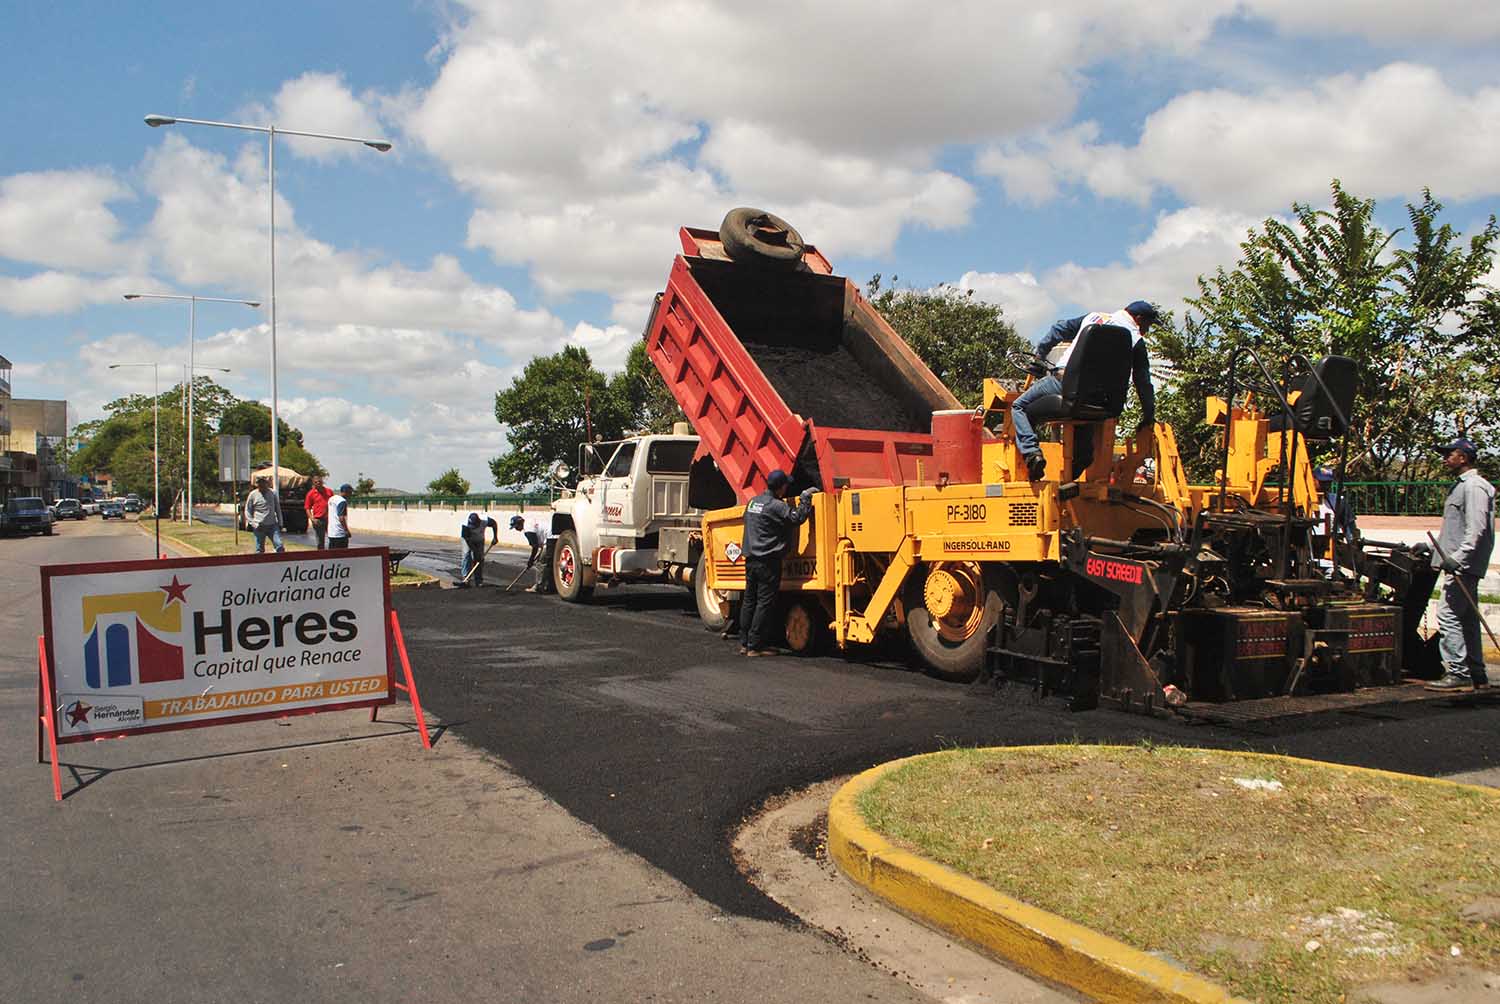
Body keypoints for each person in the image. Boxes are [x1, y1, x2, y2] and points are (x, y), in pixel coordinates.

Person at [1012, 299, 1159, 481]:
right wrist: (1148, 416)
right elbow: (1143, 382)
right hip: (1097, 400)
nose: (1147, 329)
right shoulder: (1136, 340)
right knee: (1083, 448)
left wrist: (1040, 355)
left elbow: (1058, 329)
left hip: (1063, 384)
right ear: (1138, 318)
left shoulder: (1094, 317)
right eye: (1148, 324)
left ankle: (1032, 454)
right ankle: (1067, 479)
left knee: (1019, 407)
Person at [1425, 438, 1495, 692]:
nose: (1445, 458)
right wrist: (1433, 549)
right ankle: (1477, 673)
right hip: (1459, 562)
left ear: (1463, 457)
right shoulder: (1462, 486)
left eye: (1449, 454)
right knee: (1466, 618)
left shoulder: (1474, 487)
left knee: (1448, 614)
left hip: (1462, 566)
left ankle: (1457, 671)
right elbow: (1456, 530)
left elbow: (1476, 529)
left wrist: (1458, 558)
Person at [739, 470, 817, 656]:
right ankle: (755, 646)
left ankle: (744, 643)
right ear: (781, 488)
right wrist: (805, 498)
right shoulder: (776, 506)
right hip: (768, 562)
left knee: (749, 601)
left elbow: (747, 519)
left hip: (751, 560)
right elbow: (797, 518)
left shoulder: (753, 502)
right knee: (764, 603)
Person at [1314, 466, 1358, 541]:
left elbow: (1349, 526)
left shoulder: (1338, 500)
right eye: (1322, 482)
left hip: (1333, 542)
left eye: (1328, 482)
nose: (1326, 485)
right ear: (1313, 480)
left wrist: (1352, 542)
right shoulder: (1302, 500)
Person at [510, 513, 551, 591]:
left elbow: (535, 546)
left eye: (516, 527)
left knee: (540, 563)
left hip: (549, 540)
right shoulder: (530, 521)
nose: (516, 529)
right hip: (552, 537)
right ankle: (548, 585)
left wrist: (531, 560)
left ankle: (539, 586)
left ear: (520, 523)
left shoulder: (528, 530)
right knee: (548, 562)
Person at [245, 475, 285, 554]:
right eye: (259, 483)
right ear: (257, 484)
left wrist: (280, 523)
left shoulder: (273, 493)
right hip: (259, 526)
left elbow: (278, 509)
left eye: (263, 483)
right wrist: (253, 523)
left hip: (272, 525)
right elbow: (248, 511)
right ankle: (260, 565)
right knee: (259, 550)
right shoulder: (253, 495)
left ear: (267, 483)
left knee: (279, 546)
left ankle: (279, 564)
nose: (262, 485)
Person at [458, 512, 498, 587]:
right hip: (468, 539)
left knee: (479, 559)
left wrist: (495, 537)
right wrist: (475, 550)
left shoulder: (485, 520)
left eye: (474, 526)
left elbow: (494, 524)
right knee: (466, 555)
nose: (472, 527)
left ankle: (479, 580)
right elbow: (468, 540)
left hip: (480, 539)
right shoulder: (465, 525)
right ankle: (466, 578)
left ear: (479, 522)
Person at [304, 475, 333, 549]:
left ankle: (332, 555)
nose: (318, 483)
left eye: (319, 481)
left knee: (332, 538)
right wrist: (312, 519)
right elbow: (307, 508)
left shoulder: (329, 492)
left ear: (322, 482)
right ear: (313, 483)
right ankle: (321, 556)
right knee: (320, 541)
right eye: (316, 482)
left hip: (329, 519)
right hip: (318, 520)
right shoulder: (311, 494)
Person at [326, 483, 352, 550]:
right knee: (342, 555)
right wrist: (346, 530)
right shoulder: (342, 501)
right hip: (340, 533)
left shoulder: (332, 498)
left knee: (332, 555)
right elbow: (341, 517)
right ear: (346, 492)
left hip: (331, 532)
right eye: (350, 492)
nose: (350, 495)